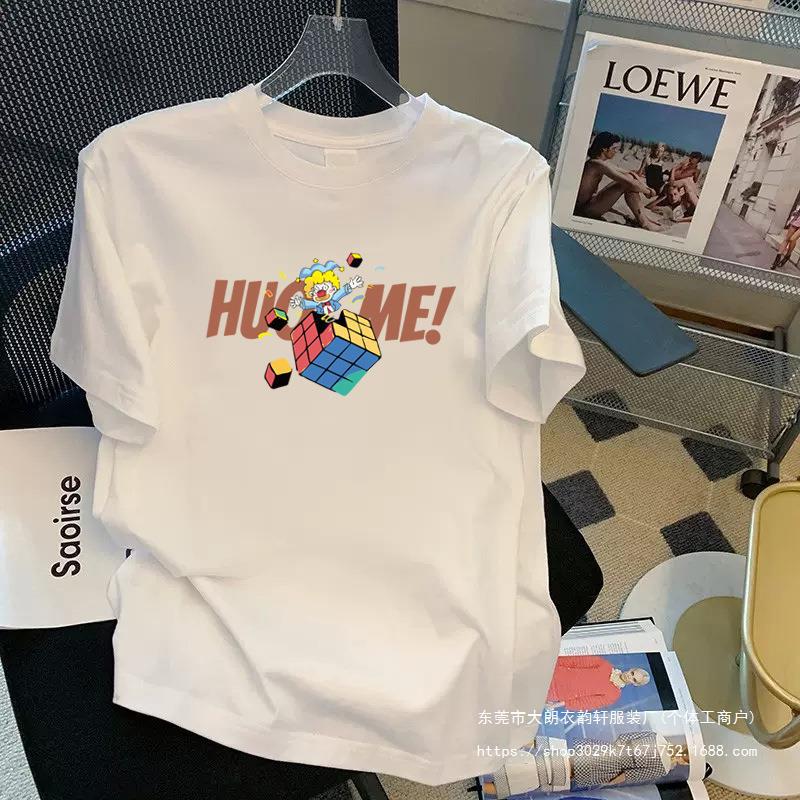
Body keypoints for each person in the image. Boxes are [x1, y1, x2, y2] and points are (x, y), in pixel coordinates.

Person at [574, 131, 661, 231]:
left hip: (590, 202)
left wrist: (646, 187)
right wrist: (649, 192)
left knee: (628, 178)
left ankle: (644, 219)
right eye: (614, 148)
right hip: (585, 210)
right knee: (626, 184)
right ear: (604, 149)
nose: (616, 151)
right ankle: (645, 222)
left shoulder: (597, 162)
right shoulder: (597, 164)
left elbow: (629, 172)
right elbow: (629, 183)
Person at [546, 655, 651, 711]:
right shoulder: (605, 665)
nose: (630, 676)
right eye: (632, 673)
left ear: (635, 684)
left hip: (554, 693)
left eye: (634, 679)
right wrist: (550, 662)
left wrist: (556, 705)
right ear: (631, 669)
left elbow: (585, 703)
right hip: (552, 671)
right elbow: (575, 661)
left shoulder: (614, 695)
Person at [771, 202, 800, 270]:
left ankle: (787, 255)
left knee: (792, 239)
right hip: (798, 218)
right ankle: (776, 261)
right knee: (787, 239)